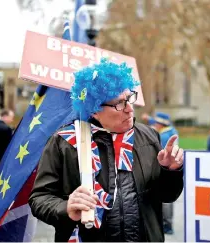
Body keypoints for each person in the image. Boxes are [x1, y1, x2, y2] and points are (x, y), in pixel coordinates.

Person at [28, 59, 184, 242]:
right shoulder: (64, 142)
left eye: (129, 98)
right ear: (94, 110)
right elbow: (39, 198)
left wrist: (170, 172)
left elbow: (166, 196)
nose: (129, 109)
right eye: (119, 103)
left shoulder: (148, 136)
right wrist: (65, 208)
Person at [151, 112, 179, 234]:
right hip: (170, 169)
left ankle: (166, 225)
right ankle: (168, 224)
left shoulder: (162, 136)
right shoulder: (171, 131)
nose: (155, 125)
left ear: (161, 124)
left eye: (156, 123)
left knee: (165, 200)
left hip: (162, 168)